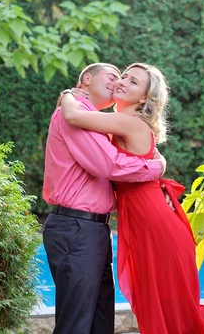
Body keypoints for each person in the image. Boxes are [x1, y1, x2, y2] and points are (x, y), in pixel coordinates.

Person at [59, 62, 204, 334]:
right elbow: (148, 159)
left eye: (133, 82)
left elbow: (74, 117)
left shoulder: (127, 122)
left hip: (156, 227)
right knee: (168, 314)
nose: (123, 81)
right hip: (145, 223)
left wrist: (68, 93)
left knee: (177, 319)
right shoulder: (121, 125)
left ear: (143, 99)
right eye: (124, 76)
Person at [42, 62, 168, 334]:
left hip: (93, 229)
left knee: (100, 322)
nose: (117, 83)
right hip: (76, 227)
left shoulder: (97, 121)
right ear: (87, 79)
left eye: (122, 78)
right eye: (113, 77)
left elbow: (132, 149)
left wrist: (158, 175)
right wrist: (156, 169)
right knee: (75, 323)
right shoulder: (71, 113)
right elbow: (108, 165)